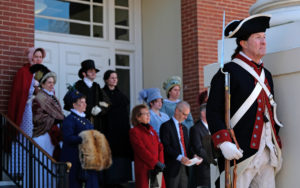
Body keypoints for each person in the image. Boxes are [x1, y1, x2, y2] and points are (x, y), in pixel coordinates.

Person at [206, 14, 282, 187]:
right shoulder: (228, 72)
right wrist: (224, 142)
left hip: (267, 152)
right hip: (240, 153)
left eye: (264, 37)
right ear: (243, 43)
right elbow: (213, 111)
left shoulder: (266, 75)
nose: (263, 42)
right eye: (257, 38)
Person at [60, 87, 104, 188]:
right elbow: (68, 138)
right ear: (74, 104)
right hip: (75, 158)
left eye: (85, 102)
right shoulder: (70, 119)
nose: (85, 104)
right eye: (82, 102)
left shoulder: (86, 119)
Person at [160, 101, 202, 188]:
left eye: (187, 114)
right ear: (176, 111)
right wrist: (180, 157)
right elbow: (166, 146)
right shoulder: (166, 126)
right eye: (184, 114)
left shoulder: (185, 129)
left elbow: (188, 147)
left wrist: (194, 156)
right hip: (172, 167)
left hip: (184, 167)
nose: (186, 117)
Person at [102, 70, 133, 187]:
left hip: (122, 134)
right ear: (106, 80)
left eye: (116, 78)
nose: (114, 80)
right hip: (108, 131)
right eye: (112, 78)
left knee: (121, 168)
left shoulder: (121, 95)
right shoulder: (102, 93)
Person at [7, 47, 46, 137]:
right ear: (31, 57)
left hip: (40, 108)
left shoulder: (42, 72)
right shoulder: (23, 72)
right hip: (27, 107)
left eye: (40, 57)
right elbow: (18, 93)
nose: (38, 59)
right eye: (36, 56)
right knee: (26, 133)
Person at [129, 104, 166, 188]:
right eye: (145, 114)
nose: (148, 116)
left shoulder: (152, 130)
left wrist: (160, 162)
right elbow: (141, 150)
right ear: (138, 117)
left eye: (148, 113)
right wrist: (155, 162)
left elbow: (160, 146)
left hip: (157, 168)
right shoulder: (134, 132)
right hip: (145, 169)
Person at [32, 68, 64, 160]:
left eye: (53, 82)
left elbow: (58, 113)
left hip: (54, 131)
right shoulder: (39, 98)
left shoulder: (53, 97)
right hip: (43, 134)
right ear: (42, 84)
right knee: (45, 160)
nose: (52, 85)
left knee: (53, 157)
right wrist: (53, 120)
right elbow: (37, 118)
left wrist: (61, 118)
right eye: (49, 82)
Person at [75, 59, 111, 132]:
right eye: (91, 71)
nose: (94, 73)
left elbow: (107, 102)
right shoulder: (77, 87)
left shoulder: (97, 87)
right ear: (84, 74)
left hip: (97, 124)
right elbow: (69, 104)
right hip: (81, 123)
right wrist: (88, 110)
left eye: (94, 71)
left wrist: (100, 109)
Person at [189, 103, 211, 188]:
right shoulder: (196, 129)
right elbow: (198, 149)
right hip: (203, 172)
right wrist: (212, 160)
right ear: (203, 113)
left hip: (213, 171)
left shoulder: (211, 127)